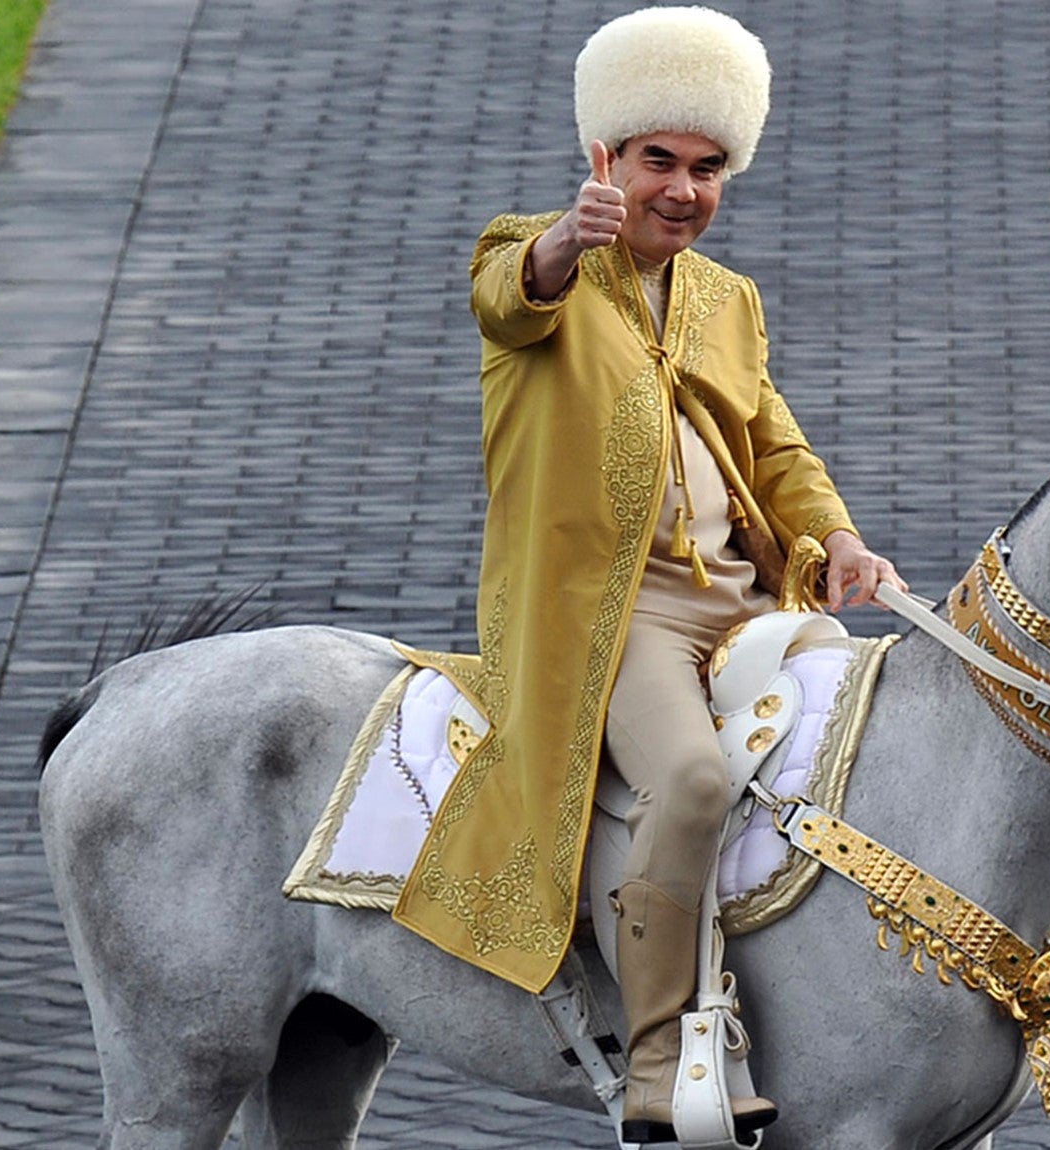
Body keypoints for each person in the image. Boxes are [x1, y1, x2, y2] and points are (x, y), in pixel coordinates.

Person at [393, 7, 905, 1142]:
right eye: (656, 163)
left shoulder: (730, 300)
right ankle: (664, 1049)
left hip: (749, 601)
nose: (682, 189)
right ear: (604, 160)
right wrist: (566, 244)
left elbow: (775, 446)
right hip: (617, 616)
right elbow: (503, 296)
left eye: (707, 168)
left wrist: (844, 538)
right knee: (696, 781)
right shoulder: (529, 254)